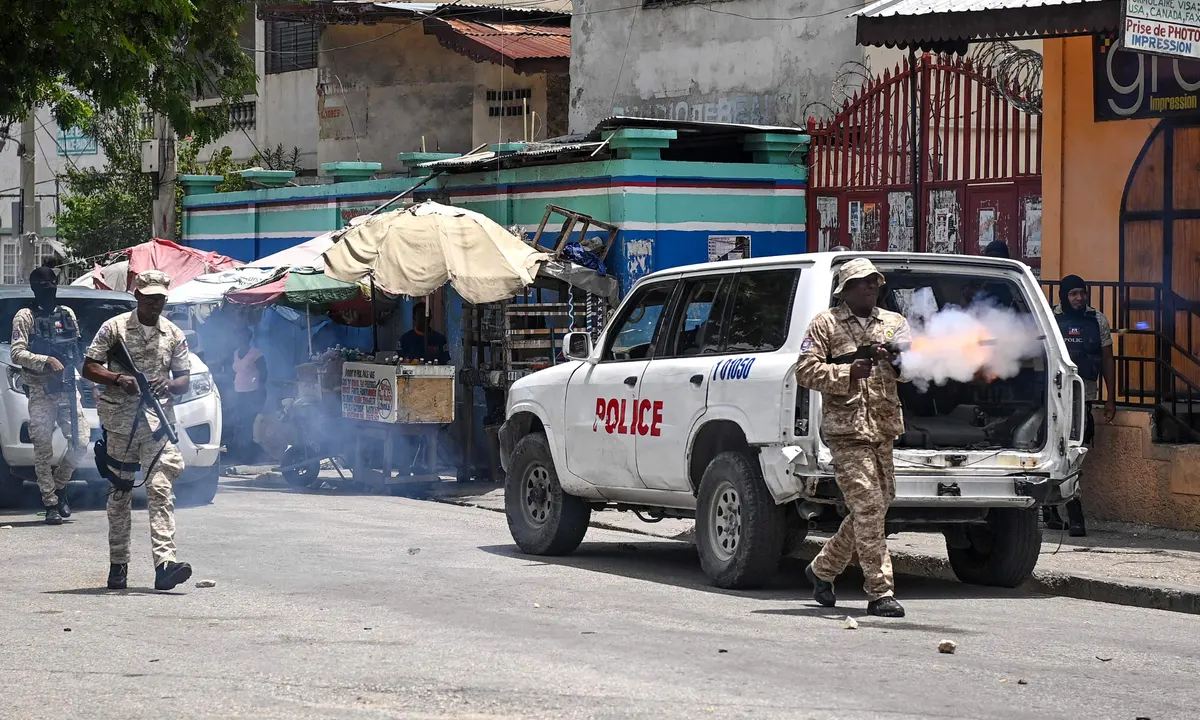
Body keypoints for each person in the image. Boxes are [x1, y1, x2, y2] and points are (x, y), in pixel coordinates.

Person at [796, 258, 912, 618]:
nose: (870, 288)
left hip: (883, 427)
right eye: (862, 283)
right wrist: (847, 371)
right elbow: (804, 370)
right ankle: (880, 591)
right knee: (868, 507)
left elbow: (911, 371)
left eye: (874, 282)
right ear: (845, 290)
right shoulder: (825, 324)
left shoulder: (894, 324)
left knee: (879, 503)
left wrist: (896, 362)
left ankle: (823, 568)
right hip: (847, 431)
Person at [82, 271, 194, 592]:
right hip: (119, 424)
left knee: (160, 487)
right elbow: (89, 365)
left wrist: (168, 383)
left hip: (156, 425)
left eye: (160, 298)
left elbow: (183, 379)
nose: (155, 303)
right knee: (120, 494)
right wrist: (118, 379)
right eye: (149, 298)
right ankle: (119, 564)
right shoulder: (114, 328)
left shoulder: (173, 334)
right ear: (137, 296)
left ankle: (165, 565)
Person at [10, 262, 89, 525]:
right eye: (44, 285)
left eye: (53, 284)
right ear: (34, 288)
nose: (50, 289)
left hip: (67, 388)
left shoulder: (66, 313)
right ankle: (51, 503)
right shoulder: (25, 316)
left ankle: (60, 485)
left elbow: (76, 349)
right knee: (42, 450)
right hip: (41, 390)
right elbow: (17, 352)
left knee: (80, 442)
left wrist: (94, 382)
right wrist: (45, 360)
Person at [1048, 274, 1116, 537]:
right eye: (1074, 294)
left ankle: (1073, 513)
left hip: (1083, 397)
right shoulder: (1050, 317)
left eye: (1082, 293)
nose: (1079, 298)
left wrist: (1110, 397)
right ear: (1064, 295)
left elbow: (1108, 359)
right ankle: (1053, 511)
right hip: (1053, 398)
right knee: (1054, 451)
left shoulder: (1097, 319)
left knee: (1075, 452)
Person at [230, 326, 268, 459]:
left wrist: (260, 389)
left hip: (253, 392)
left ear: (247, 337)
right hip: (239, 392)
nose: (238, 339)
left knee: (250, 422)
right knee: (240, 422)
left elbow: (264, 372)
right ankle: (242, 451)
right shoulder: (235, 353)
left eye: (241, 336)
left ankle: (251, 453)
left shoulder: (255, 353)